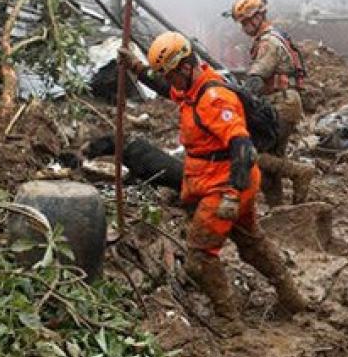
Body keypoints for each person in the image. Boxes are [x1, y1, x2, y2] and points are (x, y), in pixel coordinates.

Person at [119, 31, 308, 335]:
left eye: (170, 74)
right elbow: (169, 90)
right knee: (251, 243)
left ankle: (228, 319)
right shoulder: (192, 85)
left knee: (200, 257)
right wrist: (137, 68)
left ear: (184, 66)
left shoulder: (214, 99)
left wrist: (232, 195)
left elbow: (243, 147)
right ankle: (292, 298)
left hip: (226, 185)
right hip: (222, 181)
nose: (170, 82)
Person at [229, 0, 316, 206]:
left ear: (258, 17)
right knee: (271, 162)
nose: (245, 27)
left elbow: (257, 78)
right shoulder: (275, 36)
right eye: (242, 23)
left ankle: (299, 172)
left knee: (254, 154)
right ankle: (279, 211)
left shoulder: (268, 42)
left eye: (247, 22)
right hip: (284, 101)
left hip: (280, 103)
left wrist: (238, 99)